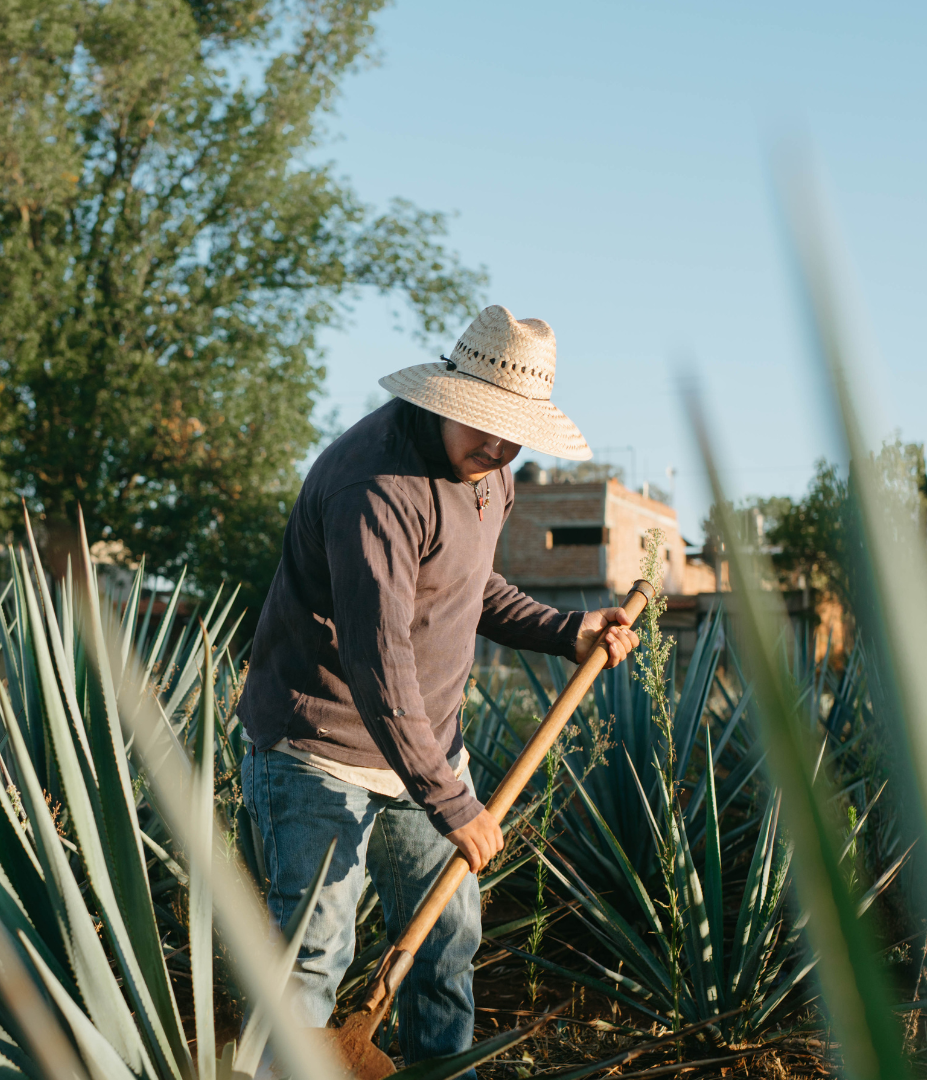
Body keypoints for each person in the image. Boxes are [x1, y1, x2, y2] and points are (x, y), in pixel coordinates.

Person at [237, 304, 641, 1069]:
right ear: (447, 397)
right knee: (314, 958)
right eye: (486, 425)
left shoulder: (491, 473)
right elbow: (378, 656)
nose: (499, 447)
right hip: (319, 748)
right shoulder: (375, 487)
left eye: (515, 433)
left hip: (424, 748)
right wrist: (452, 802)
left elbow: (470, 586)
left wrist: (568, 630)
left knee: (447, 945)